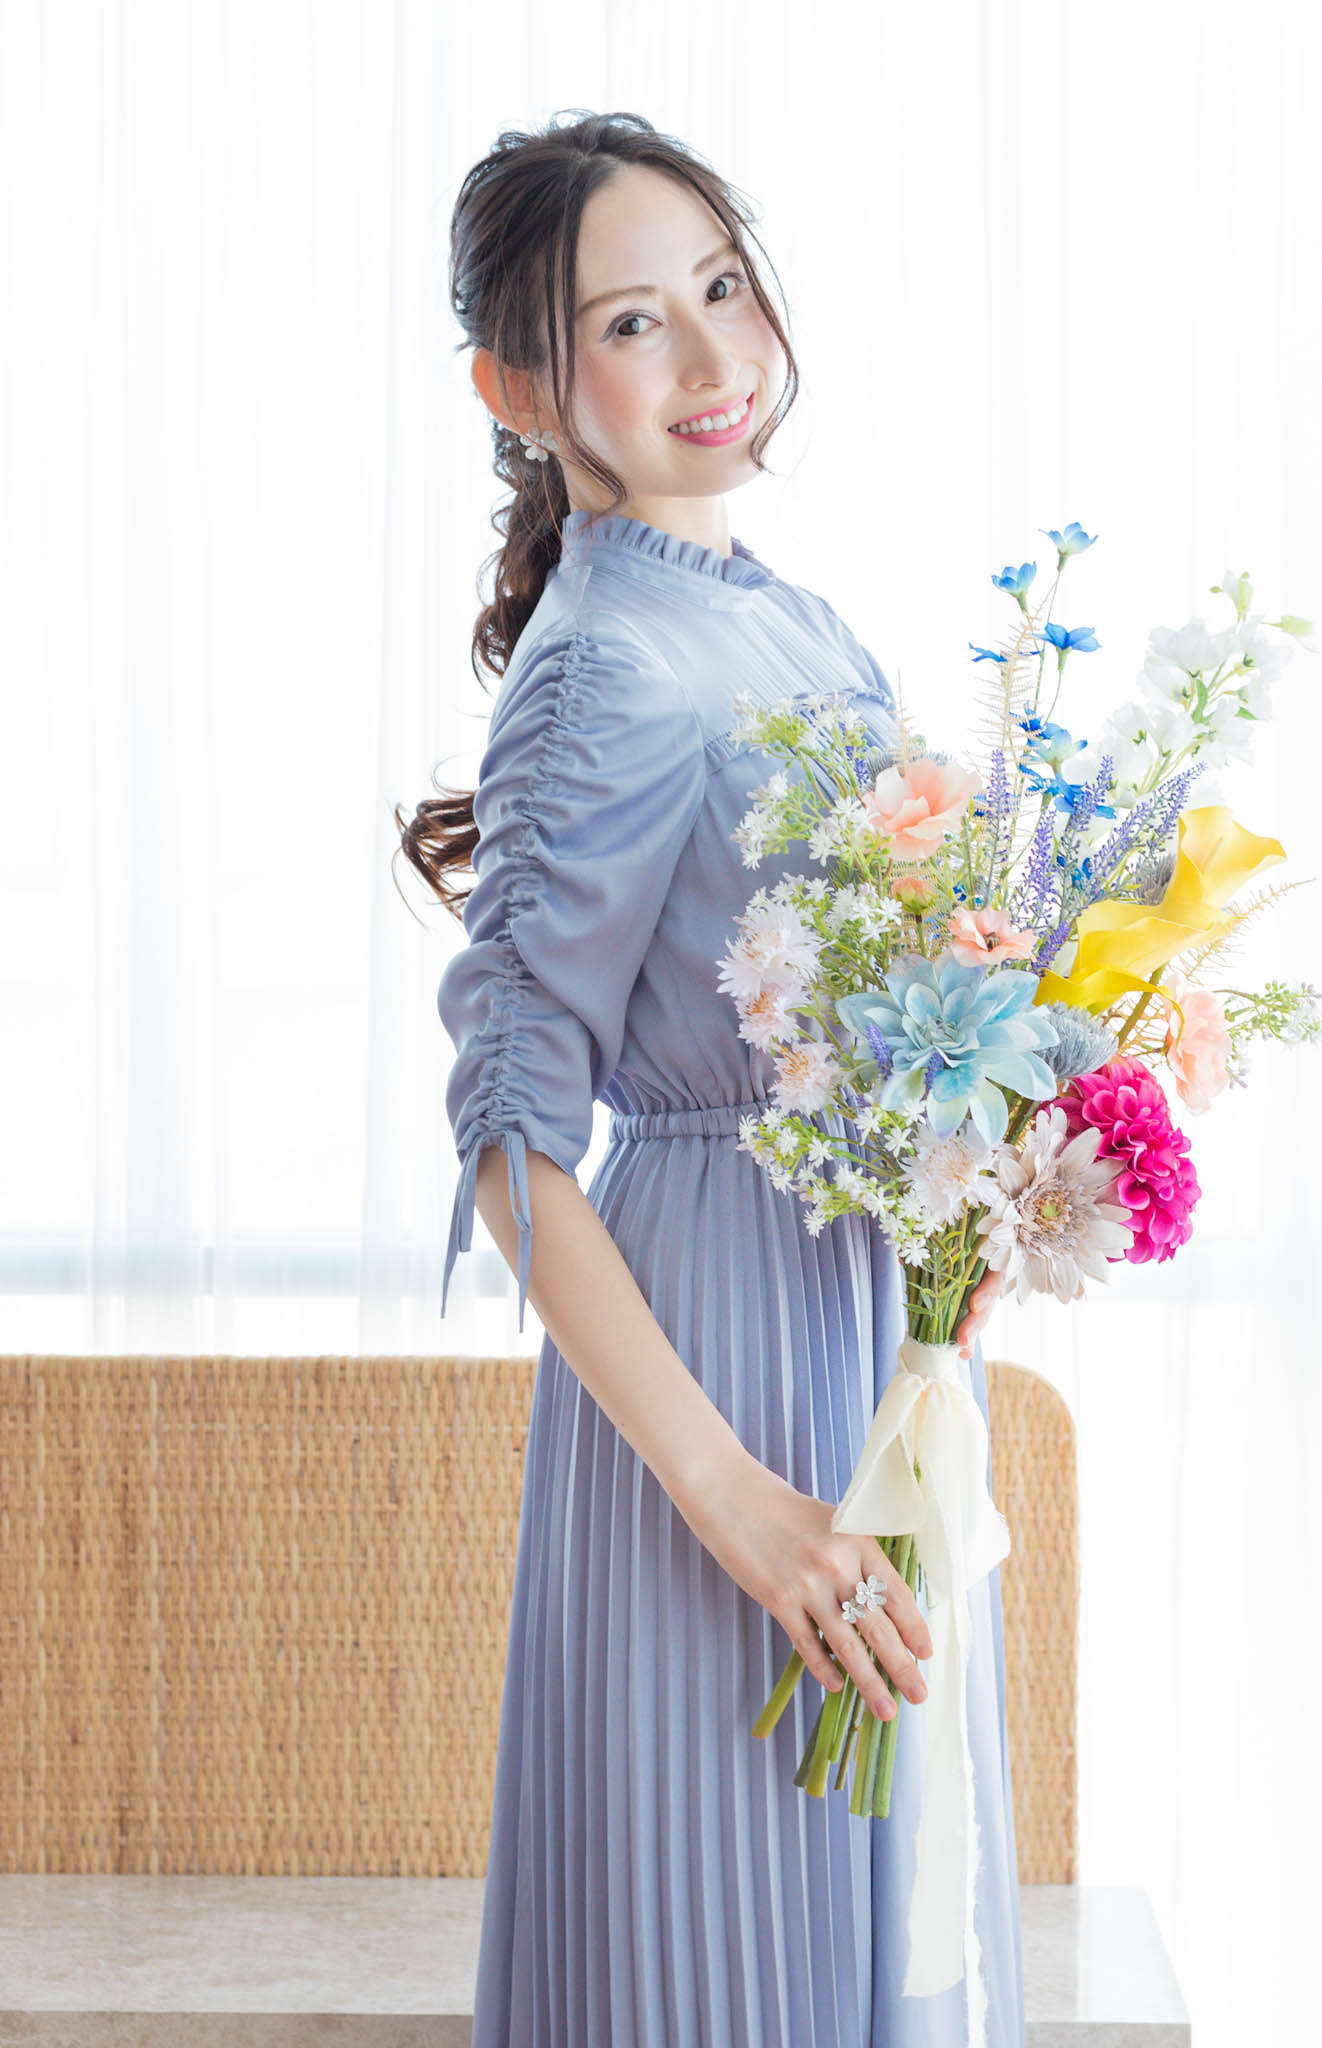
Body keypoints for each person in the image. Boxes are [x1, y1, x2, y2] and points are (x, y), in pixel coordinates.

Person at [396, 109, 1025, 2048]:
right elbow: (511, 1141)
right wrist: (735, 1499)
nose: (707, 355)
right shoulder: (604, 667)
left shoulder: (783, 619)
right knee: (731, 1944)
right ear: (518, 391)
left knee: (859, 1929)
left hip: (855, 1330)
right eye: (627, 323)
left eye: (721, 289)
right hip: (713, 1369)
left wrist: (971, 1206)